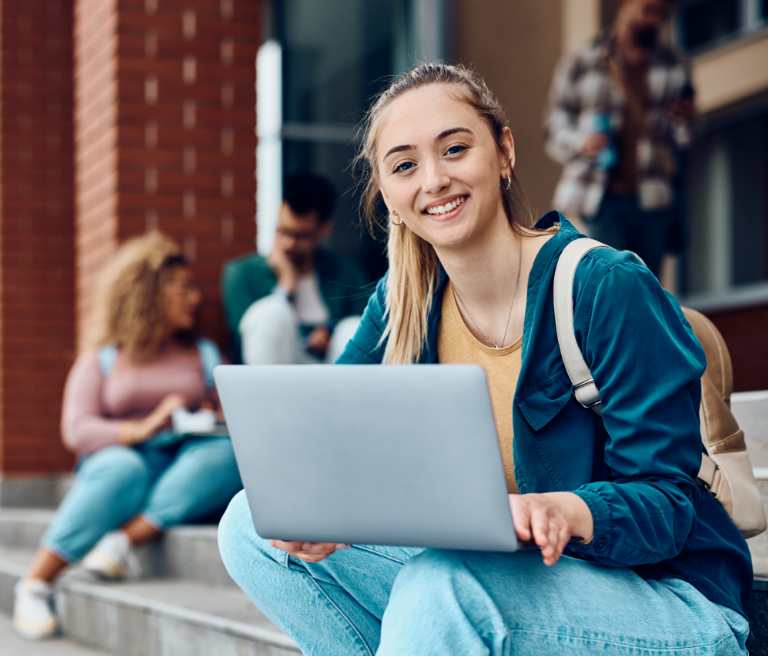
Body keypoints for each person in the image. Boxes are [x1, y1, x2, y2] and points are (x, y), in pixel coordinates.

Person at [217, 63, 752, 655]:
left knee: (441, 587)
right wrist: (323, 508)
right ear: (389, 194)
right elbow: (330, 443)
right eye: (405, 165)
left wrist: (568, 509)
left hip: (670, 604)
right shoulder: (403, 302)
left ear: (504, 152)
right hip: (509, 583)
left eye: (454, 149)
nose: (434, 179)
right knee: (251, 528)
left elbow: (669, 505)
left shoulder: (605, 285)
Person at [13, 232, 242, 641]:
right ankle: (34, 584)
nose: (195, 298)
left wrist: (211, 414)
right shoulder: (104, 357)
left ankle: (122, 541)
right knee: (121, 468)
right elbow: (76, 429)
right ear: (149, 292)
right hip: (122, 459)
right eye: (184, 288)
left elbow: (231, 414)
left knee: (227, 454)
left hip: (183, 461)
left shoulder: (205, 354)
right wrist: (140, 428)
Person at [544, 0, 696, 279]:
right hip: (598, 198)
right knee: (605, 285)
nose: (655, 20)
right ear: (626, 1)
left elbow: (685, 137)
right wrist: (580, 142)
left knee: (646, 287)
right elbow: (553, 126)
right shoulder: (581, 62)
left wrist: (686, 120)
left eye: (662, 14)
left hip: (654, 199)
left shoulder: (676, 66)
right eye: (649, 10)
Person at [221, 172, 367, 365]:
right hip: (276, 374)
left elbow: (368, 334)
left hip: (330, 369)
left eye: (300, 236)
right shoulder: (243, 273)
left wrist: (329, 333)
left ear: (324, 229)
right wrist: (285, 286)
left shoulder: (346, 274)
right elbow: (245, 344)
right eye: (283, 231)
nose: (289, 243)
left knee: (352, 328)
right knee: (269, 314)